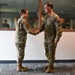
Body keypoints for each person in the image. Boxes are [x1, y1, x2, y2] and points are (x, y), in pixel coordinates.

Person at [35, 2, 62, 73]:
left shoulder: (55, 17)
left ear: (50, 7)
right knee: (47, 52)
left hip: (52, 39)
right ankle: (51, 64)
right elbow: (42, 27)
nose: (44, 9)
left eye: (45, 8)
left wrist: (57, 38)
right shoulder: (46, 17)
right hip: (46, 38)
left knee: (51, 53)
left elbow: (59, 29)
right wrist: (38, 31)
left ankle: (50, 66)